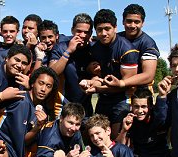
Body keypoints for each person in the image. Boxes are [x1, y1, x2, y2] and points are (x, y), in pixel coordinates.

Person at [81, 9, 139, 138]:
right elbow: (97, 76)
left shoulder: (127, 50)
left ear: (115, 28)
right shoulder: (95, 48)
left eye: (107, 29)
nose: (103, 33)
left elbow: (126, 85)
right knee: (97, 135)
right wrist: (90, 81)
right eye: (99, 30)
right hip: (103, 98)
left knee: (116, 139)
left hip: (122, 99)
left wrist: (96, 88)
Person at [103, 4, 160, 92]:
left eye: (137, 22)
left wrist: (122, 83)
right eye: (129, 21)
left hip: (141, 95)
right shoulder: (116, 38)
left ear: (143, 23)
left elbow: (148, 75)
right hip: (117, 93)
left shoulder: (148, 44)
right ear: (123, 21)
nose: (132, 25)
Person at [116, 88, 170, 157]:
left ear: (151, 106)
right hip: (141, 156)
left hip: (161, 155)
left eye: (144, 106)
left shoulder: (159, 117)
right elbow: (119, 146)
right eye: (136, 107)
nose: (140, 111)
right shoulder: (129, 119)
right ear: (131, 106)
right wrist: (124, 130)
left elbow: (163, 118)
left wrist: (162, 96)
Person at [50, 13, 94, 117]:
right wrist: (68, 51)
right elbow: (52, 73)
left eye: (86, 32)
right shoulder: (60, 47)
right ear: (72, 30)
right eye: (79, 31)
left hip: (85, 108)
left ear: (91, 33)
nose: (82, 35)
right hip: (62, 107)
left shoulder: (94, 49)